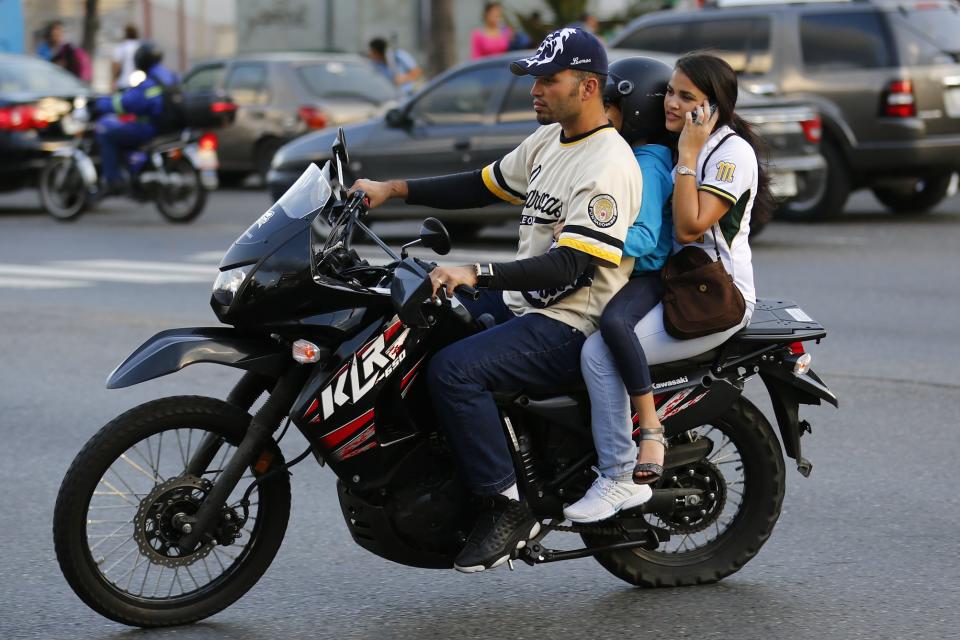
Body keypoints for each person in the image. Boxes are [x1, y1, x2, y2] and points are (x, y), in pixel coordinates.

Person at [349, 28, 642, 572]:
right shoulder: (551, 140)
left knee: (455, 372)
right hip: (529, 304)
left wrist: (477, 272)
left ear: (588, 87)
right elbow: (482, 185)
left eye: (547, 79)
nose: (535, 89)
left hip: (571, 320)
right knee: (422, 331)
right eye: (534, 78)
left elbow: (572, 265)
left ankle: (507, 505)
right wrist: (394, 190)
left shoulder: (607, 163)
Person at [575, 51, 775, 516]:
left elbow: (689, 227)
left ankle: (629, 458)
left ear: (713, 107)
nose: (671, 102)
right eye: (670, 91)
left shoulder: (729, 154)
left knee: (602, 352)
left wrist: (687, 155)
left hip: (713, 295)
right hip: (671, 279)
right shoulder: (672, 141)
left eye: (687, 97)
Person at [561, 56, 678, 523]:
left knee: (606, 332)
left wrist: (583, 238)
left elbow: (646, 239)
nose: (603, 114)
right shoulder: (627, 155)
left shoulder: (650, 164)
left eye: (611, 106)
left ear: (635, 112)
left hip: (647, 275)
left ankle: (623, 465)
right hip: (624, 270)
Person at [92, 41, 180, 195]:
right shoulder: (171, 76)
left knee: (106, 132)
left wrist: (101, 104)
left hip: (150, 128)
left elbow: (127, 103)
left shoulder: (149, 82)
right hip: (172, 127)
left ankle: (112, 180)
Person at [112, 24, 140, 90]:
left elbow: (116, 65)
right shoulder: (140, 46)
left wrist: (113, 80)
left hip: (123, 82)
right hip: (138, 83)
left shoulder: (121, 47)